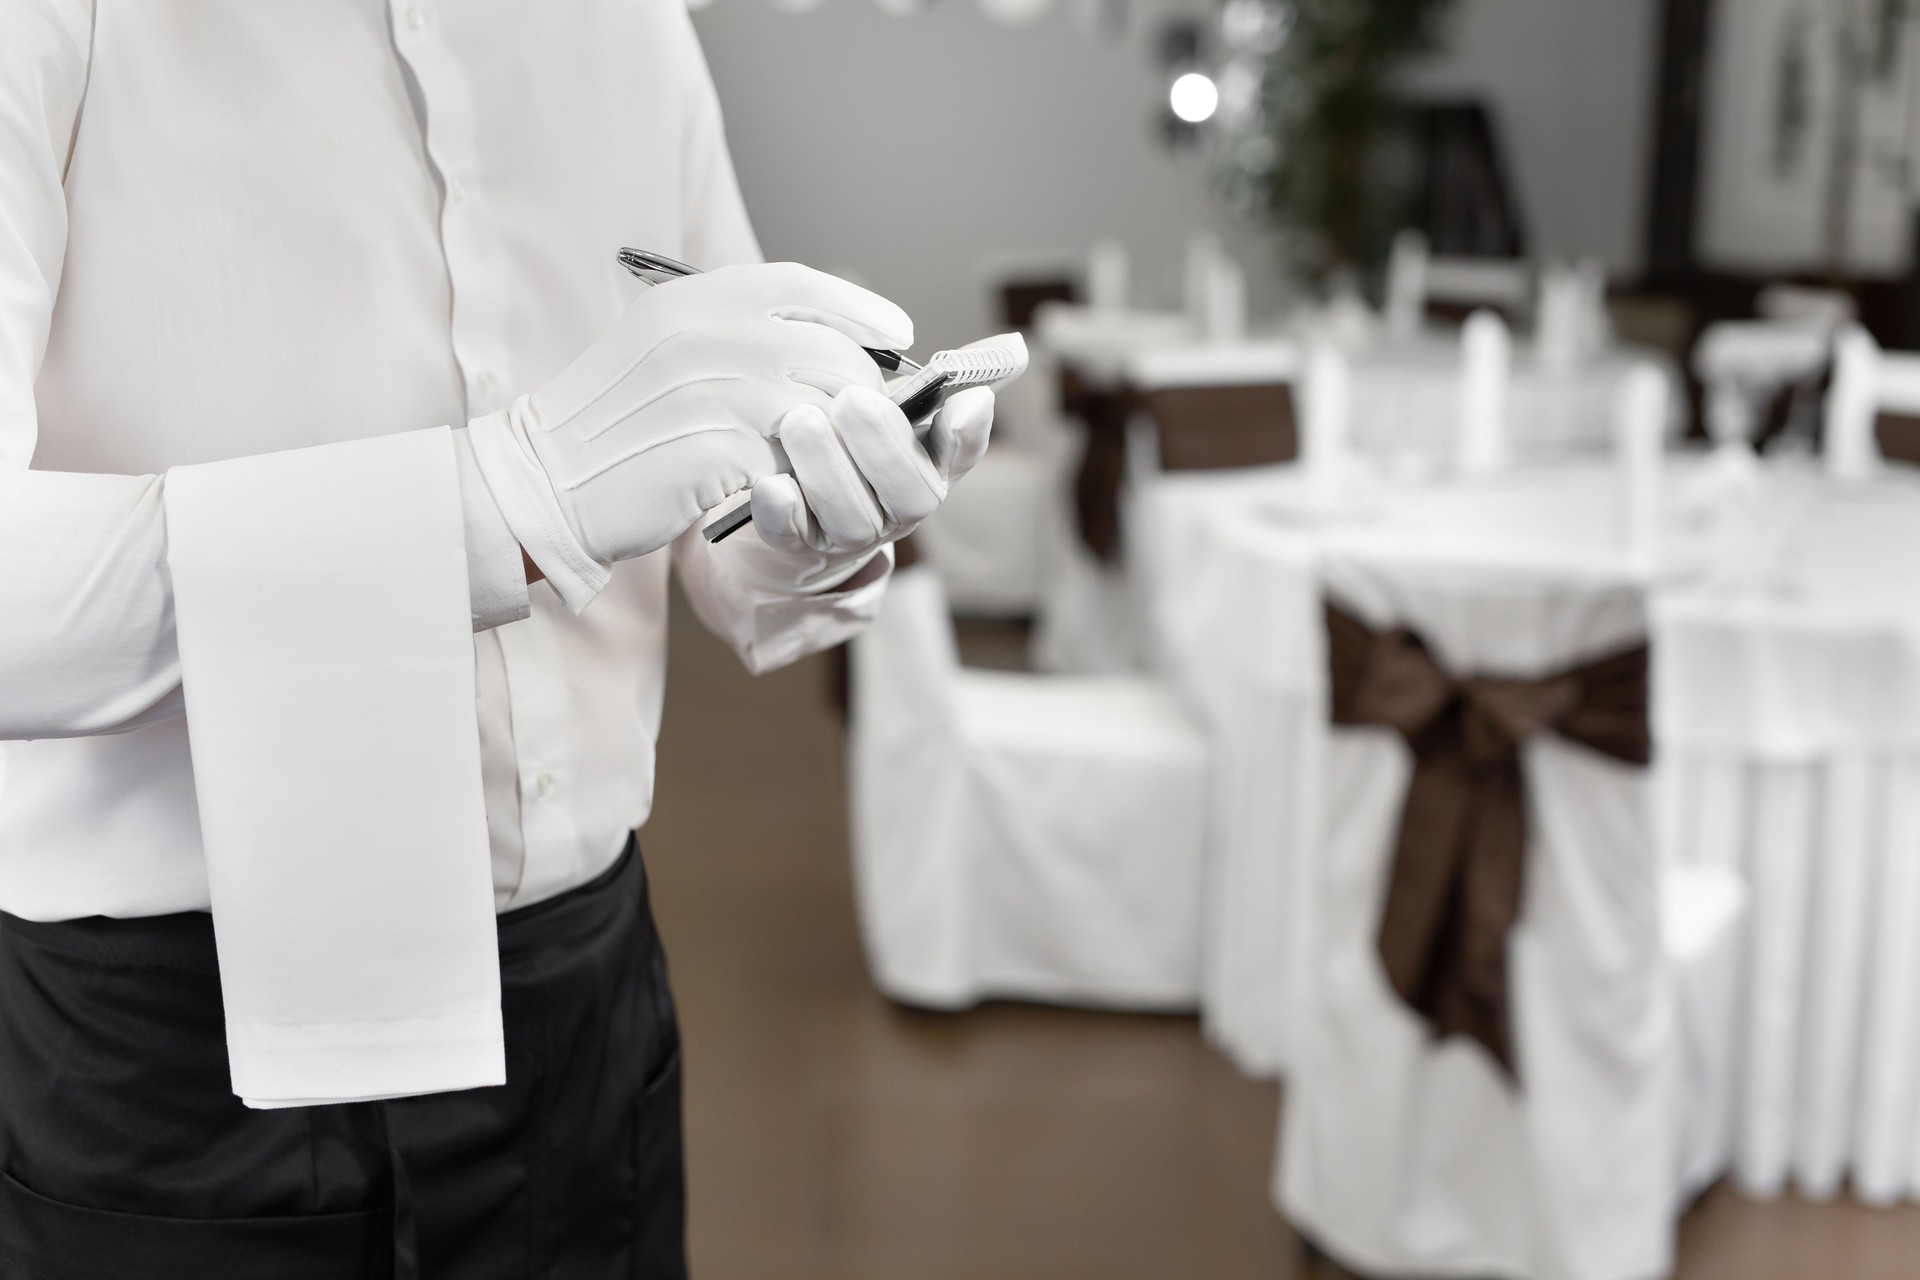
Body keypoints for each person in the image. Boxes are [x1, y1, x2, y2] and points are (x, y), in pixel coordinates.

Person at [0, 3, 993, 1276]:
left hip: (590, 1008)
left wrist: (815, 518)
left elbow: (727, 531)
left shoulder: (633, 25)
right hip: (181, 1061)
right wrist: (500, 503)